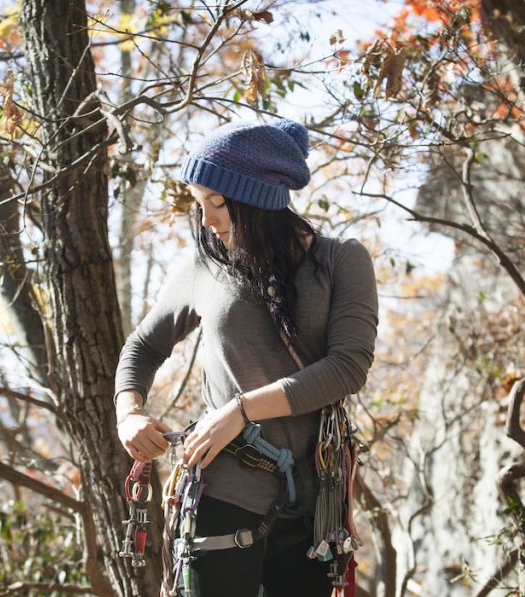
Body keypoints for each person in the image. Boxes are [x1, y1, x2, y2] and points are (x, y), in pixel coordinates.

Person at [113, 118, 378, 597]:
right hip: (221, 493)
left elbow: (348, 366)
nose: (207, 219)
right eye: (200, 204)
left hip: (315, 502)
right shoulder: (204, 265)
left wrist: (241, 410)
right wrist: (128, 413)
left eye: (218, 203)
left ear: (261, 203)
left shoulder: (341, 261)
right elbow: (144, 346)